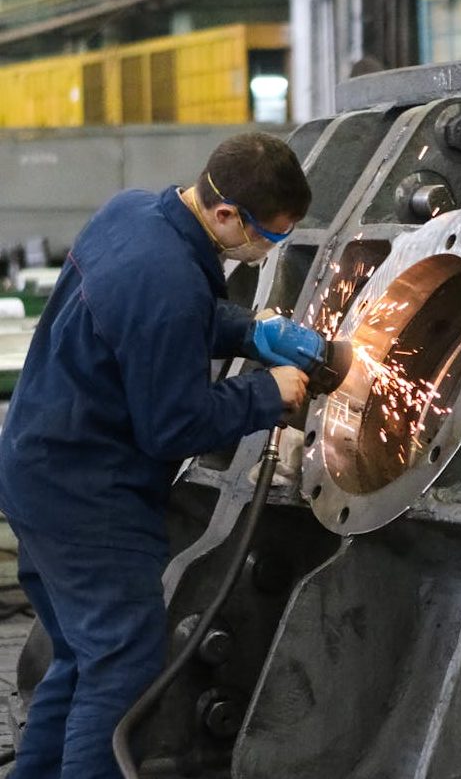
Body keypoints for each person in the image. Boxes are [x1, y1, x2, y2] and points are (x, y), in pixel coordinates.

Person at [0, 131, 312, 779]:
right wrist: (266, 392)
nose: (267, 248)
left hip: (38, 467)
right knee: (121, 667)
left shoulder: (132, 213)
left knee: (79, 656)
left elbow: (164, 317)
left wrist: (254, 331)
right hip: (89, 499)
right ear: (228, 215)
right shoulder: (165, 278)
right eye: (270, 236)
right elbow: (172, 425)